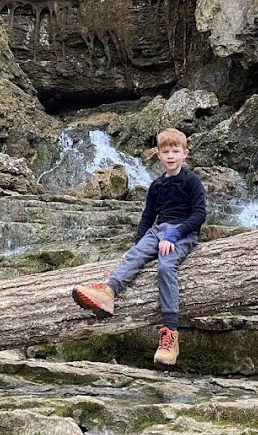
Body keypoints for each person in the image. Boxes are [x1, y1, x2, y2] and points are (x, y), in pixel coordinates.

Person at [71, 127, 207, 365]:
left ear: (185, 153)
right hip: (158, 230)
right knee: (132, 257)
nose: (171, 156)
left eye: (176, 151)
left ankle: (170, 334)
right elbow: (147, 217)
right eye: (166, 152)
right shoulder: (156, 186)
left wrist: (174, 236)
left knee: (165, 268)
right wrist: (137, 246)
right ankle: (108, 293)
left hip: (183, 232)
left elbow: (199, 215)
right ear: (158, 155)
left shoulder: (191, 181)